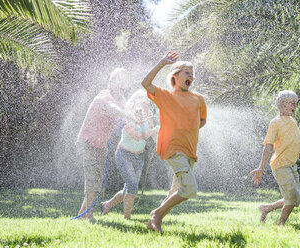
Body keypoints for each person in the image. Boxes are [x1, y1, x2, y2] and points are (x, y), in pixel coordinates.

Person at [141, 51, 207, 234]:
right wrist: (162, 63)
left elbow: (202, 121)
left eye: (192, 73)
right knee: (189, 189)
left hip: (189, 151)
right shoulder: (165, 96)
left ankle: (153, 221)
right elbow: (145, 84)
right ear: (175, 76)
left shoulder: (199, 99)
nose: (191, 76)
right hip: (172, 148)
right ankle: (156, 215)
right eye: (186, 72)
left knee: (176, 190)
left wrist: (186, 129)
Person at [76, 67, 130, 223]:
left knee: (98, 182)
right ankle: (89, 216)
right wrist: (127, 115)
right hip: (88, 142)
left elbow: (126, 118)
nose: (123, 84)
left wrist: (136, 118)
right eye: (120, 80)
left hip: (101, 145)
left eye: (125, 81)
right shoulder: (103, 96)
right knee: (93, 179)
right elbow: (113, 109)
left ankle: (81, 215)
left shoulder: (123, 101)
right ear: (111, 83)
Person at [100, 89, 159, 219]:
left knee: (129, 188)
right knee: (132, 186)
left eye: (147, 104)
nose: (145, 106)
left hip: (139, 157)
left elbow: (152, 134)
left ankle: (107, 204)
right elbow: (139, 136)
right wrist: (153, 130)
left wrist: (158, 137)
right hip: (124, 155)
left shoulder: (147, 116)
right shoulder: (126, 117)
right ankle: (127, 217)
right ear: (135, 102)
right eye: (143, 103)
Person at [250, 90, 300, 226]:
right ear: (283, 104)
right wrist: (260, 168)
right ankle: (280, 225)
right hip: (281, 165)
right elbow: (268, 146)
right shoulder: (275, 122)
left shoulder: (292, 120)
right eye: (292, 103)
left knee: (295, 199)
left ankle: (267, 208)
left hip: (291, 164)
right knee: (292, 199)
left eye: (296, 103)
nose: (295, 106)